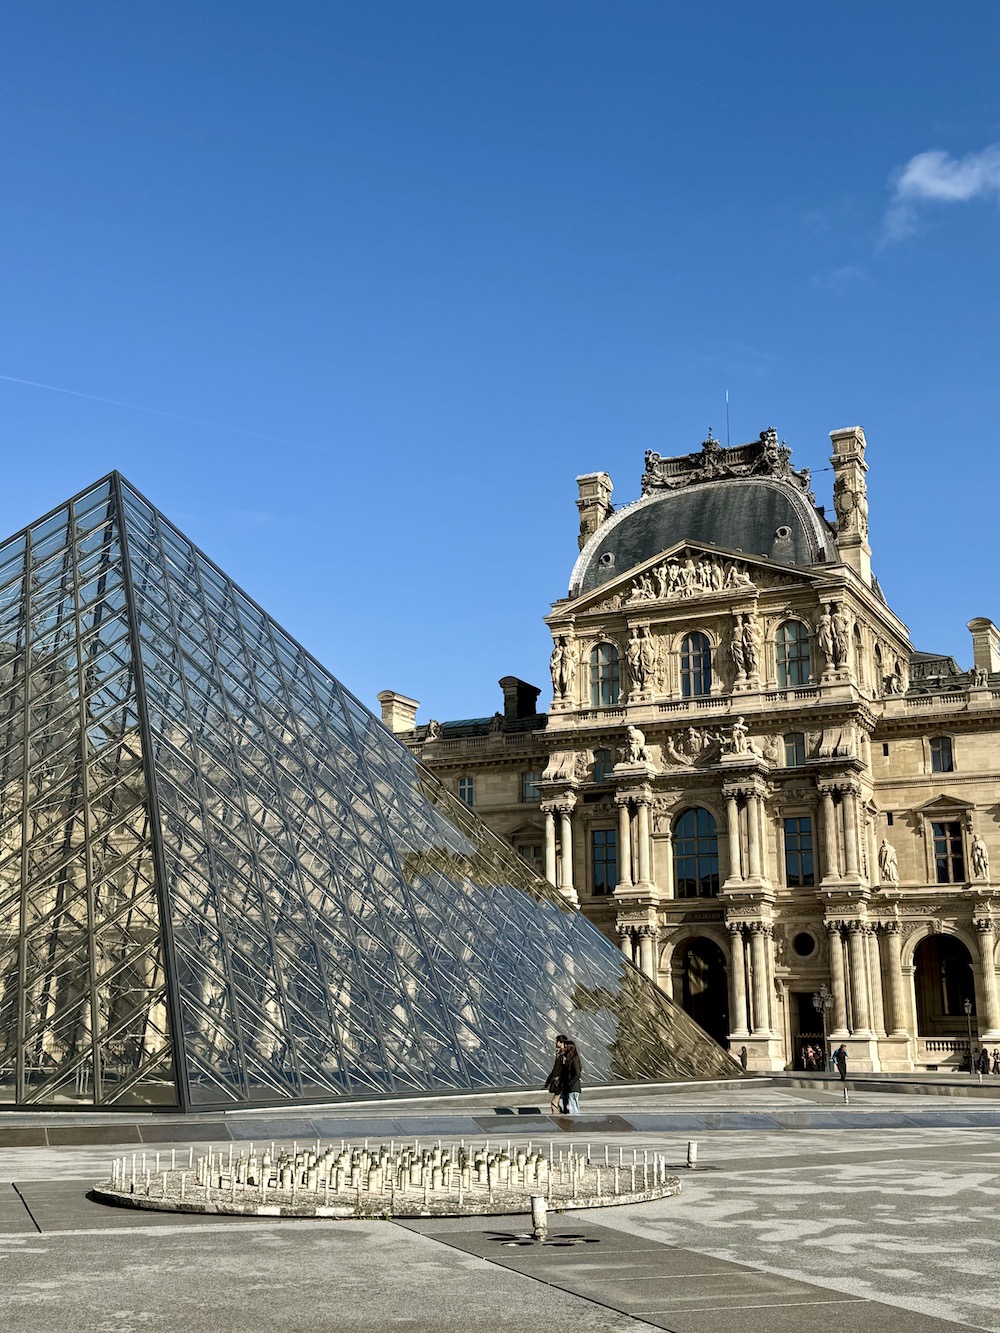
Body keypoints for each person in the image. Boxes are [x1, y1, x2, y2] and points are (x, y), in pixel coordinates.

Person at [558, 1038, 583, 1116]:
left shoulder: (575, 1060)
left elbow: (578, 1074)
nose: (564, 1048)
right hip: (569, 1087)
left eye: (566, 1047)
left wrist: (570, 1083)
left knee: (573, 1108)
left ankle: (576, 1123)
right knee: (564, 1104)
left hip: (573, 1087)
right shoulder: (569, 1059)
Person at [544, 1035, 566, 1114]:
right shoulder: (559, 1054)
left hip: (560, 1082)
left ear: (561, 1043)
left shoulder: (564, 1055)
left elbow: (561, 1069)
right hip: (558, 1081)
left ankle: (558, 1120)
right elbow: (554, 1069)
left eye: (557, 1041)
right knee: (559, 1103)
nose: (555, 1043)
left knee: (555, 1103)